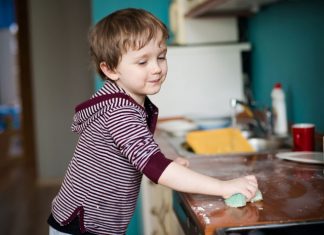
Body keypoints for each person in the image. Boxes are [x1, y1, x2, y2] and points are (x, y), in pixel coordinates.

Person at [47, 8, 258, 235]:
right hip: (83, 226)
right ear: (109, 69)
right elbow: (153, 166)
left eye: (161, 57)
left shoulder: (123, 102)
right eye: (142, 62)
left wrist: (164, 161)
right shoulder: (119, 111)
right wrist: (223, 187)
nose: (157, 68)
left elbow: (134, 153)